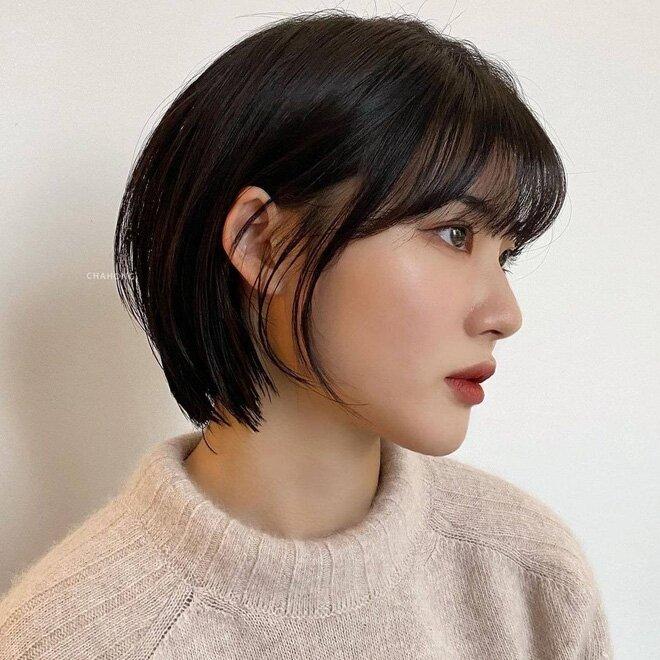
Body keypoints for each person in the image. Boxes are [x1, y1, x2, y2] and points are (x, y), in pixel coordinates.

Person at [0, 10, 612, 658]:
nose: (505, 314)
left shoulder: (528, 578)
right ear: (263, 243)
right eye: (453, 233)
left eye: (504, 256)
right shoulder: (72, 638)